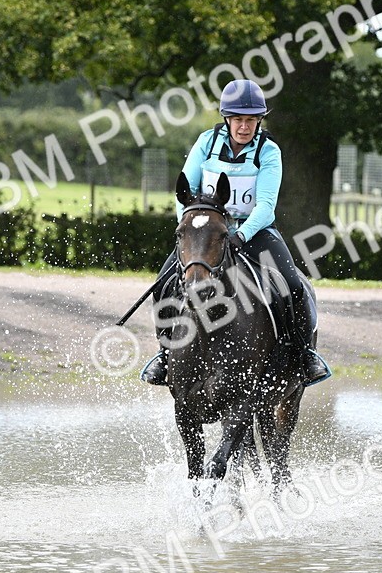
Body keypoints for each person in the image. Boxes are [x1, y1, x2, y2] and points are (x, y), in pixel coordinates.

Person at [140, 78, 331, 387]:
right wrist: (188, 227)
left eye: (252, 120)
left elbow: (266, 206)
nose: (245, 126)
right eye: (239, 119)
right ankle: (164, 354)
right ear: (227, 119)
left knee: (293, 284)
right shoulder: (206, 142)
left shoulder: (268, 152)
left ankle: (304, 354)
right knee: (163, 284)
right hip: (204, 233)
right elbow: (185, 194)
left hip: (254, 232)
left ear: (259, 120)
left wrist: (240, 236)